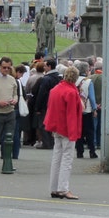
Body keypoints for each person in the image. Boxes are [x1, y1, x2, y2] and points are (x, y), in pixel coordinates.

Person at [44, 65, 83, 200]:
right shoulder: (71, 92)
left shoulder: (55, 89)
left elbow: (50, 108)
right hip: (66, 128)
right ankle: (63, 188)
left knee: (57, 157)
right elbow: (72, 114)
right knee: (67, 159)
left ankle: (54, 188)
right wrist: (74, 133)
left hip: (56, 127)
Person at [34, 58, 62, 149]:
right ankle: (52, 142)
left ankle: (47, 143)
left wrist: (37, 107)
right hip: (57, 104)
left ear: (49, 67)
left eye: (45, 66)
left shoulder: (46, 79)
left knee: (43, 124)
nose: (44, 67)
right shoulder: (59, 78)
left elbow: (41, 94)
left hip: (46, 105)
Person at [74, 60, 98, 159]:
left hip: (76, 109)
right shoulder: (88, 81)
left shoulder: (74, 80)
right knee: (90, 131)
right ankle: (92, 151)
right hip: (86, 109)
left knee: (78, 131)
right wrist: (94, 108)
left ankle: (79, 151)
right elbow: (91, 97)